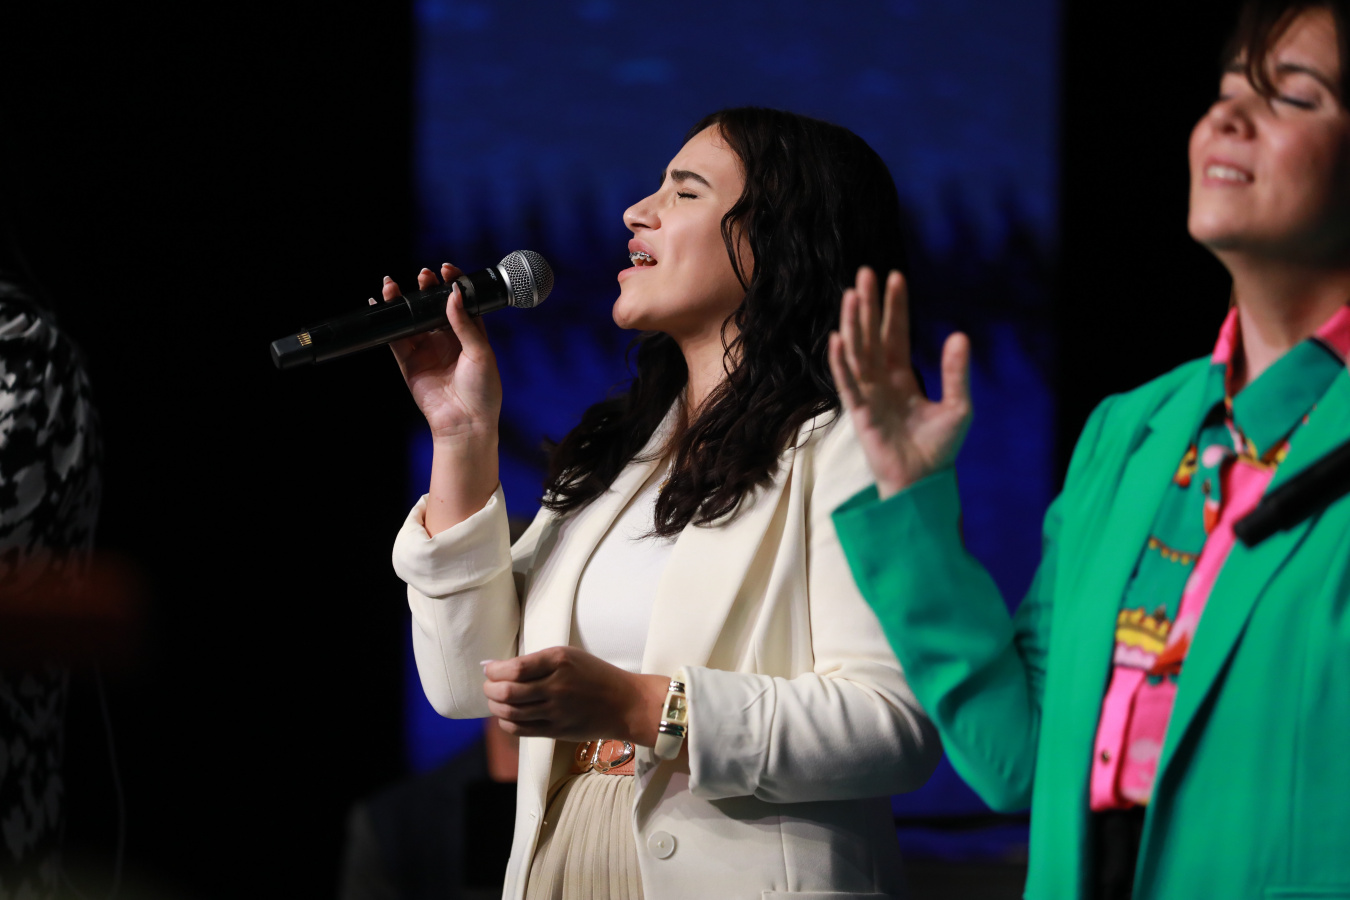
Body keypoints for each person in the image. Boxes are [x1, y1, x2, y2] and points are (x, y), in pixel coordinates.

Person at [828, 2, 1350, 898]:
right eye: (1227, 90)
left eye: (1293, 98)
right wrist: (913, 498)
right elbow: (1019, 760)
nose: (1228, 117)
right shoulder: (1129, 430)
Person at [388, 107, 941, 900]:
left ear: (777, 238)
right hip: (563, 853)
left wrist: (645, 707)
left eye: (684, 192)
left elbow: (895, 726)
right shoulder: (617, 461)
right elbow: (463, 684)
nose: (634, 212)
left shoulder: (853, 444)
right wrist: (463, 432)